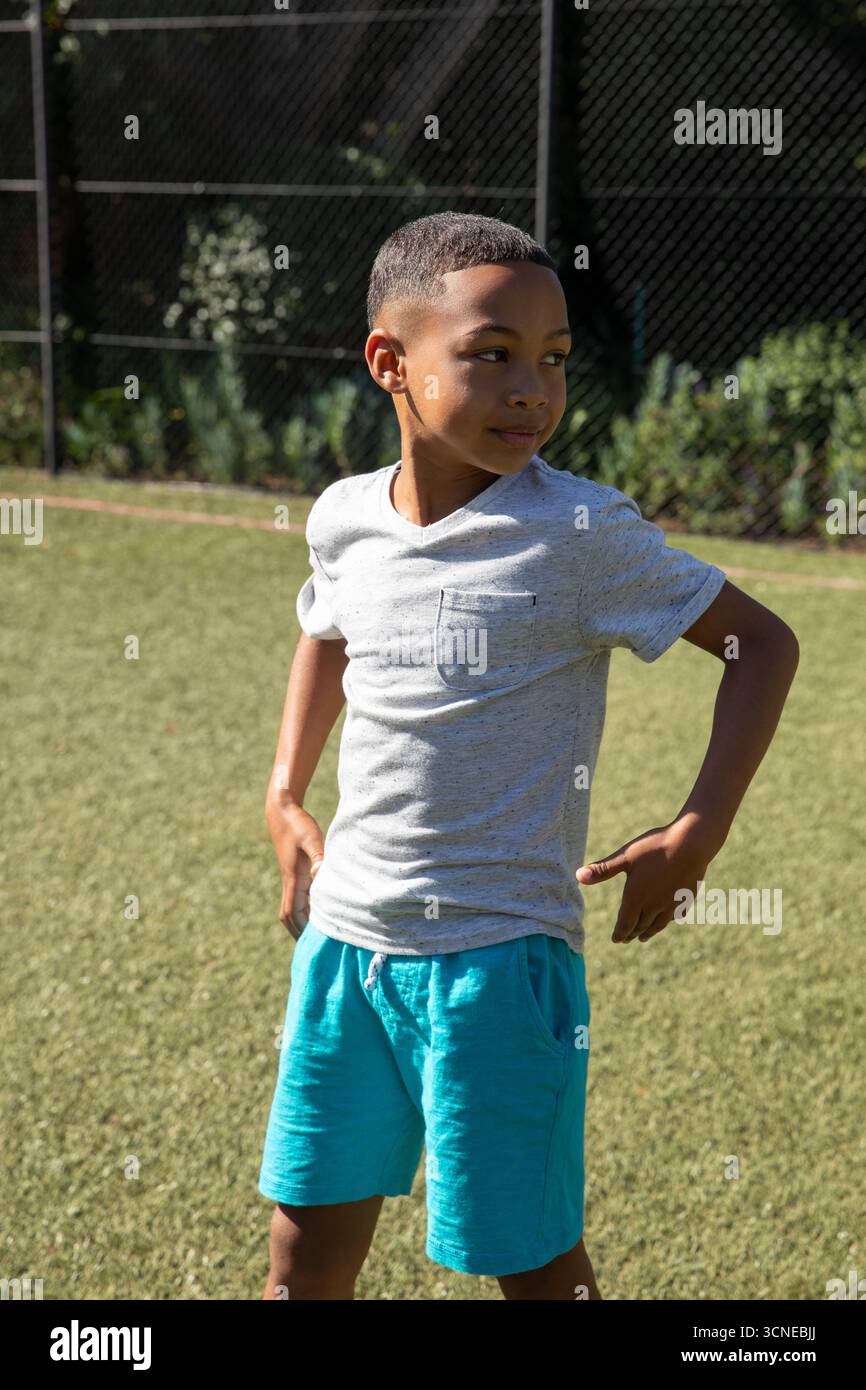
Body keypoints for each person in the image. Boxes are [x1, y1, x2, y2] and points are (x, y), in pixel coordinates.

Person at [257, 211, 799, 1300]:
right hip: (342, 950)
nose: (532, 390)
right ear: (389, 363)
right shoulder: (344, 516)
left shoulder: (579, 533)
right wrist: (282, 793)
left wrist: (693, 835)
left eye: (553, 360)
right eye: (491, 355)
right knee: (301, 1253)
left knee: (533, 1267)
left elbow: (759, 643)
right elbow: (324, 631)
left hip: (499, 966)